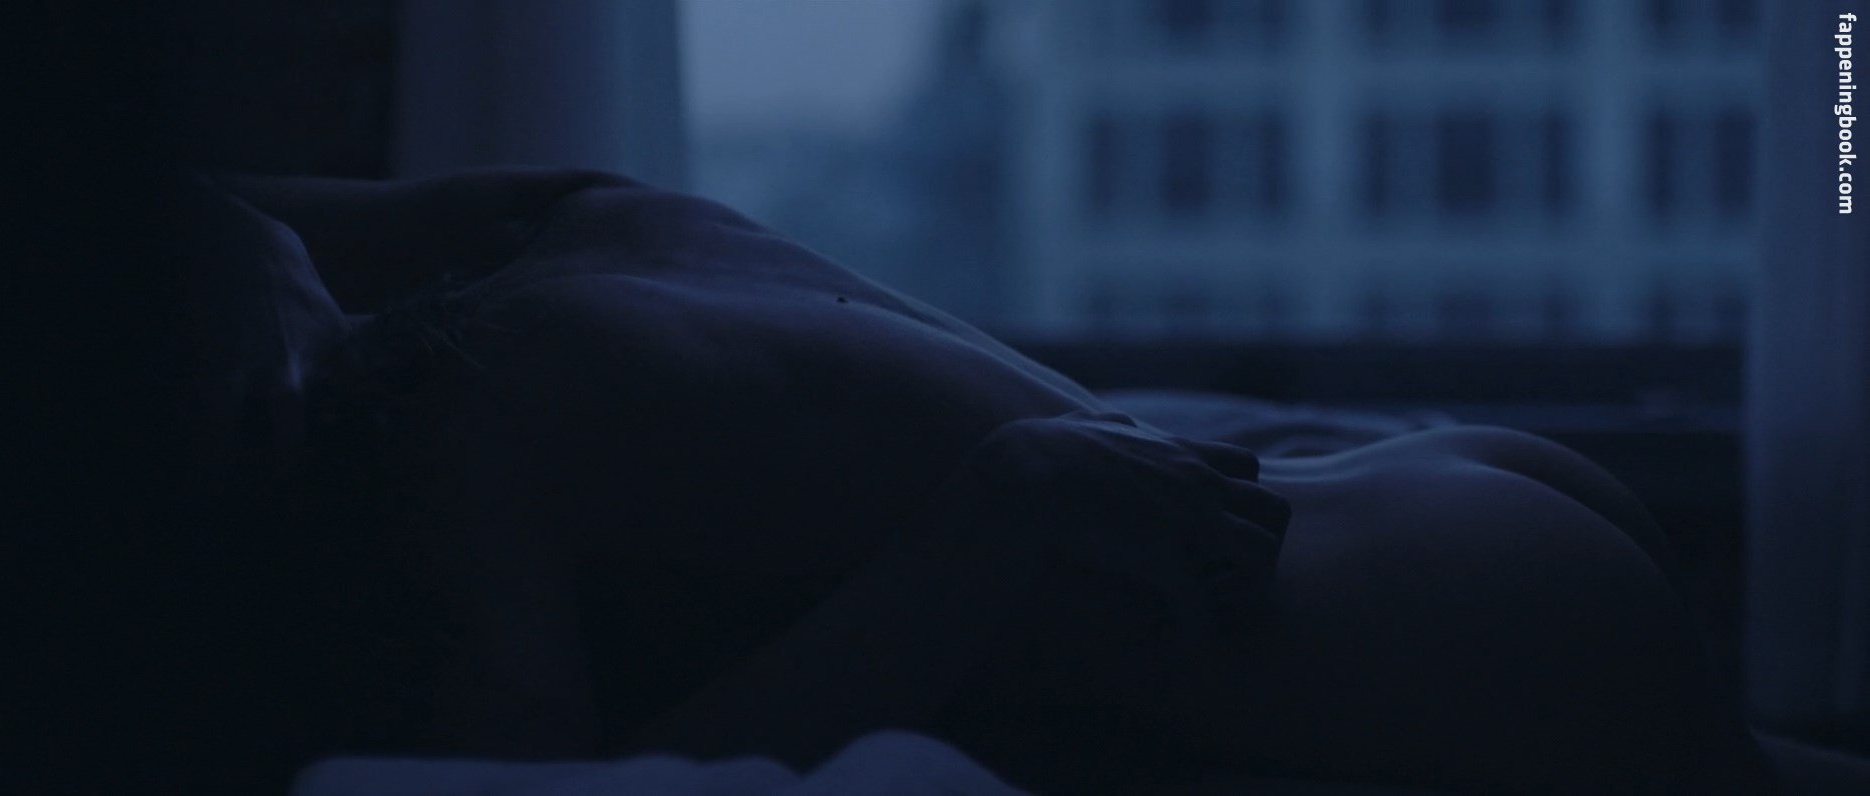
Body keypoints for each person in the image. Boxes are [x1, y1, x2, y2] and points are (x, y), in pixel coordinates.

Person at [214, 168, 1800, 795]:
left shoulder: (470, 360)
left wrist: (988, 531)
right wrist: (986, 532)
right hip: (1414, 582)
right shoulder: (524, 315)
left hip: (1409, 585)